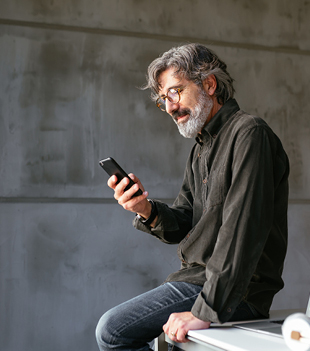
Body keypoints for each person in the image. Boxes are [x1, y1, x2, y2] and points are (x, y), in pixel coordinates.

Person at [96, 43, 290, 351]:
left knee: (112, 331)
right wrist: (145, 209)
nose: (170, 107)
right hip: (198, 283)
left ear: (209, 85)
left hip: (234, 292)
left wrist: (206, 309)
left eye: (176, 92)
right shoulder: (200, 149)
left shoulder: (250, 133)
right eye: (164, 99)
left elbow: (243, 230)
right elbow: (186, 222)